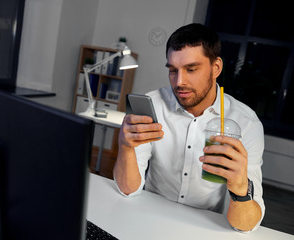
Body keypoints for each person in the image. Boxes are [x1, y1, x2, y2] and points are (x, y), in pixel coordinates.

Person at [113, 23, 265, 232]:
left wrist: (240, 189)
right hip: (146, 218)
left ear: (216, 68)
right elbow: (128, 190)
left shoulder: (246, 123)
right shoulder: (153, 105)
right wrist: (126, 148)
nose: (179, 82)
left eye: (191, 69)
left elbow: (246, 226)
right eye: (173, 71)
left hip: (204, 228)